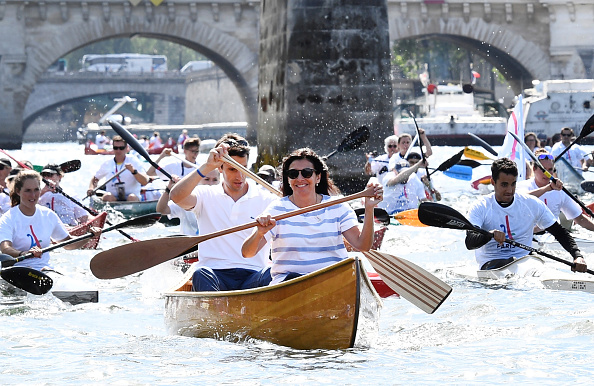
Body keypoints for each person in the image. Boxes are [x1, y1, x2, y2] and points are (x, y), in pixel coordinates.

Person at [241, 148, 383, 284]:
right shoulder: (276, 209)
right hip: (290, 285)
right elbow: (247, 253)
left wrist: (369, 209)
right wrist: (260, 233)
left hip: (333, 282)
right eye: (293, 174)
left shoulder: (338, 206)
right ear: (288, 179)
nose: (300, 178)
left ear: (318, 177)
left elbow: (363, 246)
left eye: (307, 173)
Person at [169, 133, 277, 291]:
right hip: (213, 274)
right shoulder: (205, 194)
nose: (240, 176)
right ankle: (216, 314)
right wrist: (206, 166)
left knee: (272, 272)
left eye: (243, 168)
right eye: (233, 169)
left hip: (253, 274)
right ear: (219, 168)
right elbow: (176, 196)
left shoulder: (267, 199)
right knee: (201, 273)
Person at [465, 158, 587, 272]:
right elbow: (470, 242)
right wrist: (489, 235)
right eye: (504, 184)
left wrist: (577, 255)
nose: (509, 190)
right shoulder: (480, 206)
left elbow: (559, 232)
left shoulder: (530, 203)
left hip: (526, 262)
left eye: (513, 184)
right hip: (492, 264)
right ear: (493, 182)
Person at [0, 170, 101, 271]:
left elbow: (68, 244)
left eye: (36, 190)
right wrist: (23, 253)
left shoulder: (48, 215)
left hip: (44, 269)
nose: (33, 195)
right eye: (28, 190)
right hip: (17, 270)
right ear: (18, 191)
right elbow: (5, 249)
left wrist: (88, 236)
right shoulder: (8, 219)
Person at [517, 149, 594, 232]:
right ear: (534, 169)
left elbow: (580, 219)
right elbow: (521, 199)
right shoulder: (522, 186)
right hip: (529, 236)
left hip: (553, 237)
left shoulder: (560, 191)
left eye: (550, 169)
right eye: (543, 169)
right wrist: (548, 188)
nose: (547, 173)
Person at [156, 170, 220, 236]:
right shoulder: (186, 198)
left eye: (215, 180)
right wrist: (168, 189)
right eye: (207, 179)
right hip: (189, 243)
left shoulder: (224, 199)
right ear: (198, 180)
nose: (211, 183)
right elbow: (162, 210)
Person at [87, 136, 150, 202]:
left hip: (132, 198)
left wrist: (133, 171)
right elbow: (95, 178)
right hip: (113, 198)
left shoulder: (133, 161)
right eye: (115, 148)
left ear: (126, 149)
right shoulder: (107, 163)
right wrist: (91, 188)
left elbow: (145, 181)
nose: (118, 151)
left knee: (131, 198)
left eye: (121, 148)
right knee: (107, 197)